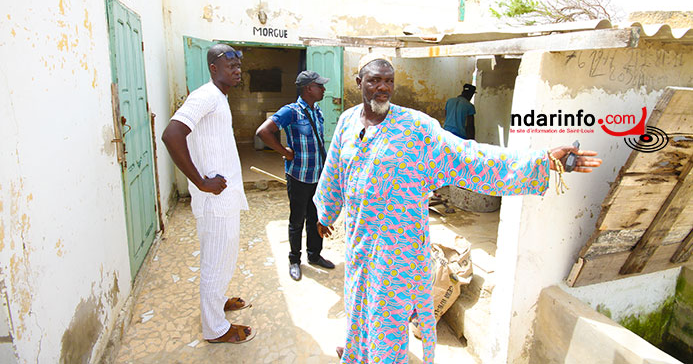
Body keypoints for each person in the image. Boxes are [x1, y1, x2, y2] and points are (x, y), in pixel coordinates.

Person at [313, 53, 602, 363]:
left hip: (397, 251)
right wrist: (326, 213)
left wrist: (543, 160)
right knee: (358, 304)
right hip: (359, 242)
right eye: (374, 81)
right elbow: (334, 171)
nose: (383, 88)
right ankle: (357, 355)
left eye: (389, 81)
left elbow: (472, 157)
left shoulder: (416, 129)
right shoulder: (347, 121)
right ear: (359, 83)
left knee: (387, 319)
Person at [161, 44, 255, 344]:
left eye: (239, 64)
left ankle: (218, 300)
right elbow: (171, 134)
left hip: (224, 198)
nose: (237, 69)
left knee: (225, 256)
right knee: (215, 262)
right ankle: (215, 329)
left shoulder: (219, 97)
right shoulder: (204, 95)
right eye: (230, 64)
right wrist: (200, 181)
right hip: (214, 200)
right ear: (213, 68)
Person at [256, 70, 335, 281]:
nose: (324, 89)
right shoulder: (290, 112)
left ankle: (314, 255)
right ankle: (294, 260)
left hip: (317, 176)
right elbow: (263, 131)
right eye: (320, 85)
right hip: (298, 176)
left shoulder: (317, 110)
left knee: (315, 218)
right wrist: (284, 151)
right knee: (297, 220)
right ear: (309, 88)